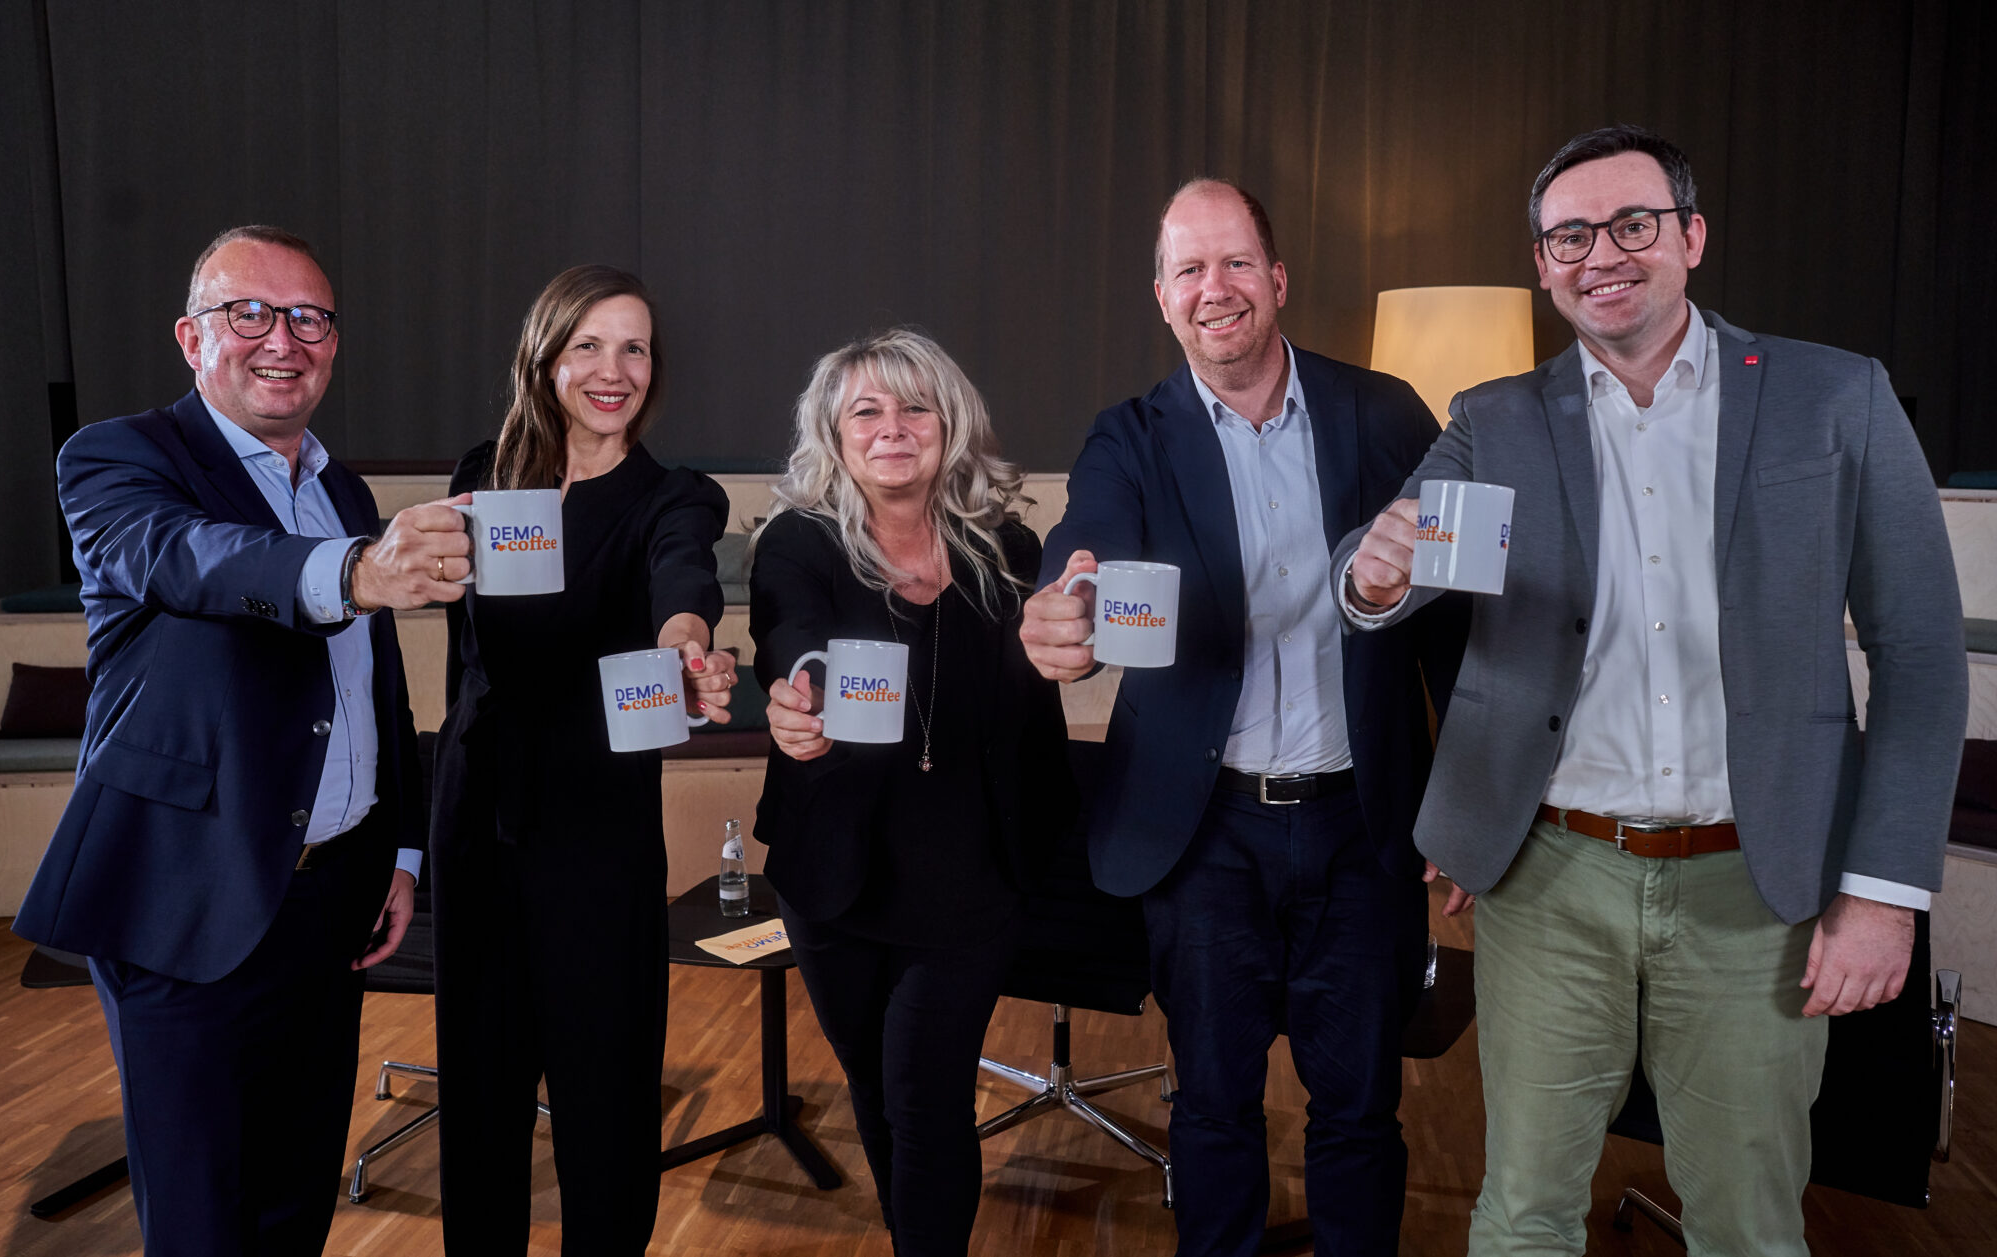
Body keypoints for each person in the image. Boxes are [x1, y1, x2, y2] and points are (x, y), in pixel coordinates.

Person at [1338, 124, 1969, 1255]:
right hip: (1549, 875)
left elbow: (1918, 654)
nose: (1600, 254)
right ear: (1540, 263)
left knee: (1744, 1221)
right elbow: (1377, 579)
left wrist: (1881, 892)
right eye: (1567, 234)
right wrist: (1376, 574)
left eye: (1631, 222)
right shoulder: (1493, 418)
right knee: (1521, 1207)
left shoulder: (1834, 397)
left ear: (1689, 235)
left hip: (1755, 881)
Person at [1020, 179, 1467, 1257]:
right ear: (1161, 300)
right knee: (1213, 1105)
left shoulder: (1384, 412)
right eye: (1186, 270)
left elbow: (1454, 631)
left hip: (1361, 830)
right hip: (1203, 834)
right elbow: (1082, 542)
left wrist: (1467, 809)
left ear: (1274, 279)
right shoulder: (1128, 436)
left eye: (1231, 263)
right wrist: (1057, 603)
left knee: (1359, 1110)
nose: (1210, 288)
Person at [14, 225, 464, 1256]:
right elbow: (189, 559)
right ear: (190, 337)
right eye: (247, 313)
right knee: (204, 1216)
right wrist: (353, 573)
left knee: (294, 1192)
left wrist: (396, 851)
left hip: (332, 899)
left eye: (309, 317)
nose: (282, 339)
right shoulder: (120, 458)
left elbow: (371, 692)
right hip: (186, 892)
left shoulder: (341, 489)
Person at [427, 265, 735, 1255]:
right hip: (477, 817)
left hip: (594, 834)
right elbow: (462, 665)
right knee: (477, 1093)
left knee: (604, 1098)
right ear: (544, 357)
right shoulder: (480, 474)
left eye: (635, 347)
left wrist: (684, 640)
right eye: (589, 346)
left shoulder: (671, 497)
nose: (614, 370)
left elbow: (683, 579)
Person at [751, 328, 1072, 1256]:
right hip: (836, 875)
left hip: (972, 877)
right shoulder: (798, 543)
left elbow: (1034, 684)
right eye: (867, 411)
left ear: (950, 424)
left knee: (925, 1097)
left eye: (914, 406)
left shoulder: (1009, 548)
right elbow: (794, 637)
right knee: (874, 1089)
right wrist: (798, 694)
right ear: (836, 435)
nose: (893, 427)